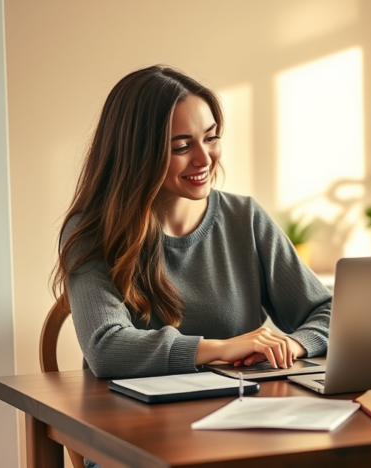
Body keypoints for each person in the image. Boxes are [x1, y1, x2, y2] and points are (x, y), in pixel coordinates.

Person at [52, 65, 331, 381]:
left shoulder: (245, 218)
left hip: (240, 410)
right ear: (137, 153)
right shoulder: (91, 232)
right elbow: (107, 348)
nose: (205, 159)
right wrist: (221, 349)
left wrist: (296, 343)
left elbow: (331, 312)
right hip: (131, 421)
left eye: (211, 138)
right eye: (182, 147)